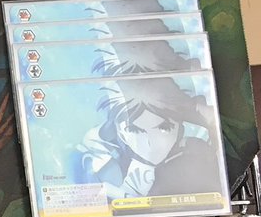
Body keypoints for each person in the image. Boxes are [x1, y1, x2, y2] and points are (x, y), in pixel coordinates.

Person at [77, 78, 223, 200]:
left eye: (164, 128)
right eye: (134, 130)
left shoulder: (195, 151)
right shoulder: (100, 150)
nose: (150, 142)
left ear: (180, 127)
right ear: (119, 130)